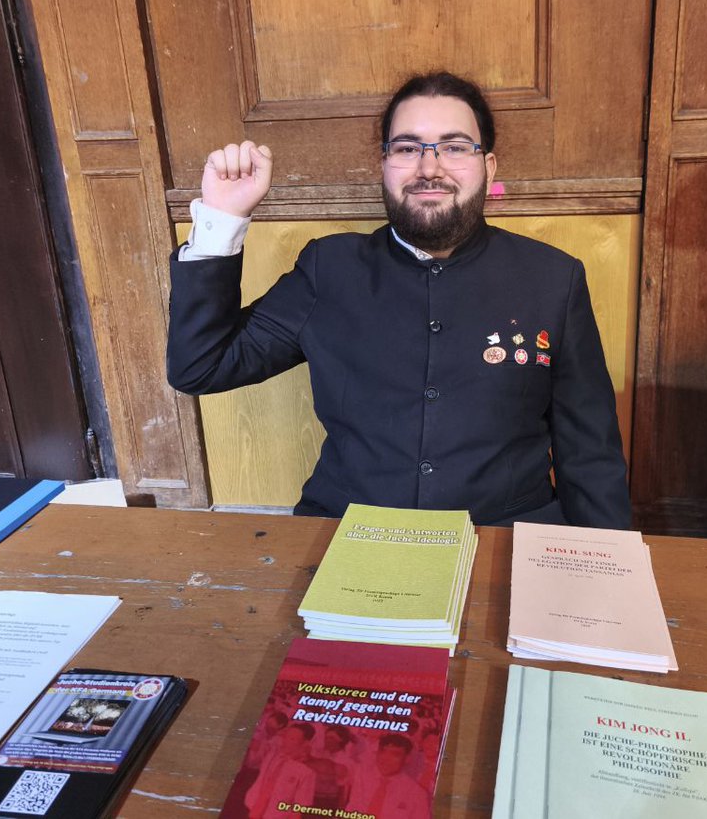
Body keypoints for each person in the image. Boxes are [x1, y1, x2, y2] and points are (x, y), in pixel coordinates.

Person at [167, 71, 631, 528]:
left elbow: (589, 450)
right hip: (348, 531)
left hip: (502, 536)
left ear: (488, 167)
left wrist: (603, 569)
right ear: (384, 165)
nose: (430, 168)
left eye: (454, 147)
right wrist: (221, 221)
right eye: (408, 148)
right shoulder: (329, 269)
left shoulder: (553, 277)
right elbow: (201, 366)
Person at [345, 734, 430, 819]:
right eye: (383, 752)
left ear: (407, 758)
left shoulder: (417, 793)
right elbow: (351, 808)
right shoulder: (361, 777)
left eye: (395, 755)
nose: (386, 759)